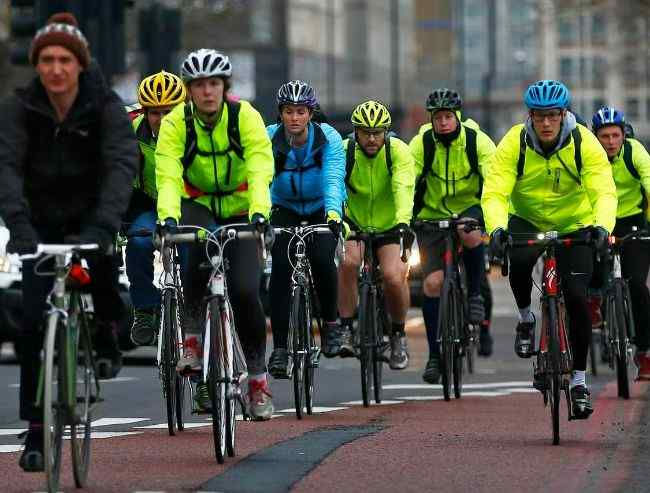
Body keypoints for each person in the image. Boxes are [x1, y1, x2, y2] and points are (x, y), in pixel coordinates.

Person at [0, 12, 138, 471]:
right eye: (46, 60)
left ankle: (106, 336)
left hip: (91, 218)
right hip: (39, 223)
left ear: (79, 64)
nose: (55, 69)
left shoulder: (105, 108)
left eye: (64, 59)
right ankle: (37, 432)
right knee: (31, 325)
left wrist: (104, 225)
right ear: (37, 64)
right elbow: (7, 169)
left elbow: (121, 165)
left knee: (102, 278)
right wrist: (18, 227)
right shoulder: (20, 108)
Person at [483, 80, 617, 418]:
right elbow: (496, 191)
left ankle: (579, 381)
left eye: (553, 115)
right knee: (517, 262)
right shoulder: (514, 141)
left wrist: (602, 227)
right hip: (527, 219)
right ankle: (526, 318)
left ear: (564, 114)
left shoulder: (583, 141)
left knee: (576, 296)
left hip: (575, 222)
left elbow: (603, 189)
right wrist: (497, 229)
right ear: (531, 116)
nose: (546, 123)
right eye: (540, 116)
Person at [155, 49, 275, 420]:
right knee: (196, 244)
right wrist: (168, 218)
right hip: (198, 203)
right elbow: (169, 173)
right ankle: (191, 339)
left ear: (226, 87)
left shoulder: (246, 117)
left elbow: (258, 165)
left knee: (244, 291)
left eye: (214, 84)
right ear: (189, 90)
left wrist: (259, 212)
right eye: (199, 85)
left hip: (241, 207)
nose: (207, 92)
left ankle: (257, 381)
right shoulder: (178, 123)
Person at [409, 88, 496, 383]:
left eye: (448, 116)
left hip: (469, 208)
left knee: (468, 234)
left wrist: (491, 219)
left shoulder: (476, 141)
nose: (443, 122)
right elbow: (407, 180)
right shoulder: (421, 143)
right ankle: (435, 355)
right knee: (432, 283)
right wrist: (405, 217)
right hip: (431, 215)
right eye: (438, 117)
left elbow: (494, 179)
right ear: (431, 119)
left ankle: (473, 296)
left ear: (457, 116)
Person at [266, 80, 346, 376]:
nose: (295, 118)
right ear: (281, 113)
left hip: (320, 208)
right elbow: (261, 180)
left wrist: (334, 214)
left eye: (301, 111)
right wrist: (260, 216)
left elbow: (333, 177)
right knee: (280, 273)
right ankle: (279, 349)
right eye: (289, 111)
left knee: (324, 259)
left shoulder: (328, 138)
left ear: (310, 113)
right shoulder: (269, 138)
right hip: (283, 208)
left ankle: (331, 324)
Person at [338, 100, 415, 369]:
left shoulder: (398, 152)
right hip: (354, 223)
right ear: (356, 132)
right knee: (347, 263)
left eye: (377, 132)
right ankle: (347, 327)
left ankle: (397, 334)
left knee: (394, 277)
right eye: (366, 132)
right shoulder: (344, 151)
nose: (372, 138)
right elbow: (335, 188)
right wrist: (337, 220)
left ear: (386, 132)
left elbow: (403, 188)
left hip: (391, 224)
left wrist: (404, 222)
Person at [126, 71, 186, 346]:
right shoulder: (129, 126)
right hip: (150, 202)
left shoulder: (198, 127)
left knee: (195, 253)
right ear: (144, 112)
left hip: (189, 203)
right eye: (155, 114)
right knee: (138, 242)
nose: (162, 121)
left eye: (169, 112)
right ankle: (144, 310)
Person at [591, 106, 650, 380]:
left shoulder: (635, 151)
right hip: (598, 221)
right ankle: (599, 312)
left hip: (633, 222)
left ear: (623, 135)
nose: (611, 142)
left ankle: (644, 351)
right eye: (605, 136)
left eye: (615, 135)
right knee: (595, 276)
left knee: (637, 283)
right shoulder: (589, 156)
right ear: (596, 137)